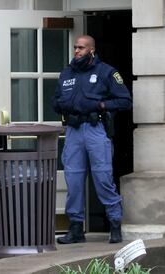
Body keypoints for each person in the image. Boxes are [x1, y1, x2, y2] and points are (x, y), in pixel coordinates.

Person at [52, 35, 132, 244]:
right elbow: (55, 101)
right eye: (75, 48)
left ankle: (115, 224)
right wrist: (64, 106)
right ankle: (76, 228)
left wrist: (101, 106)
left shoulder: (106, 72)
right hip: (73, 131)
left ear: (92, 50)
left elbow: (124, 101)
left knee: (103, 178)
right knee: (74, 180)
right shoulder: (66, 73)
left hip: (96, 129)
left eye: (81, 48)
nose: (77, 51)